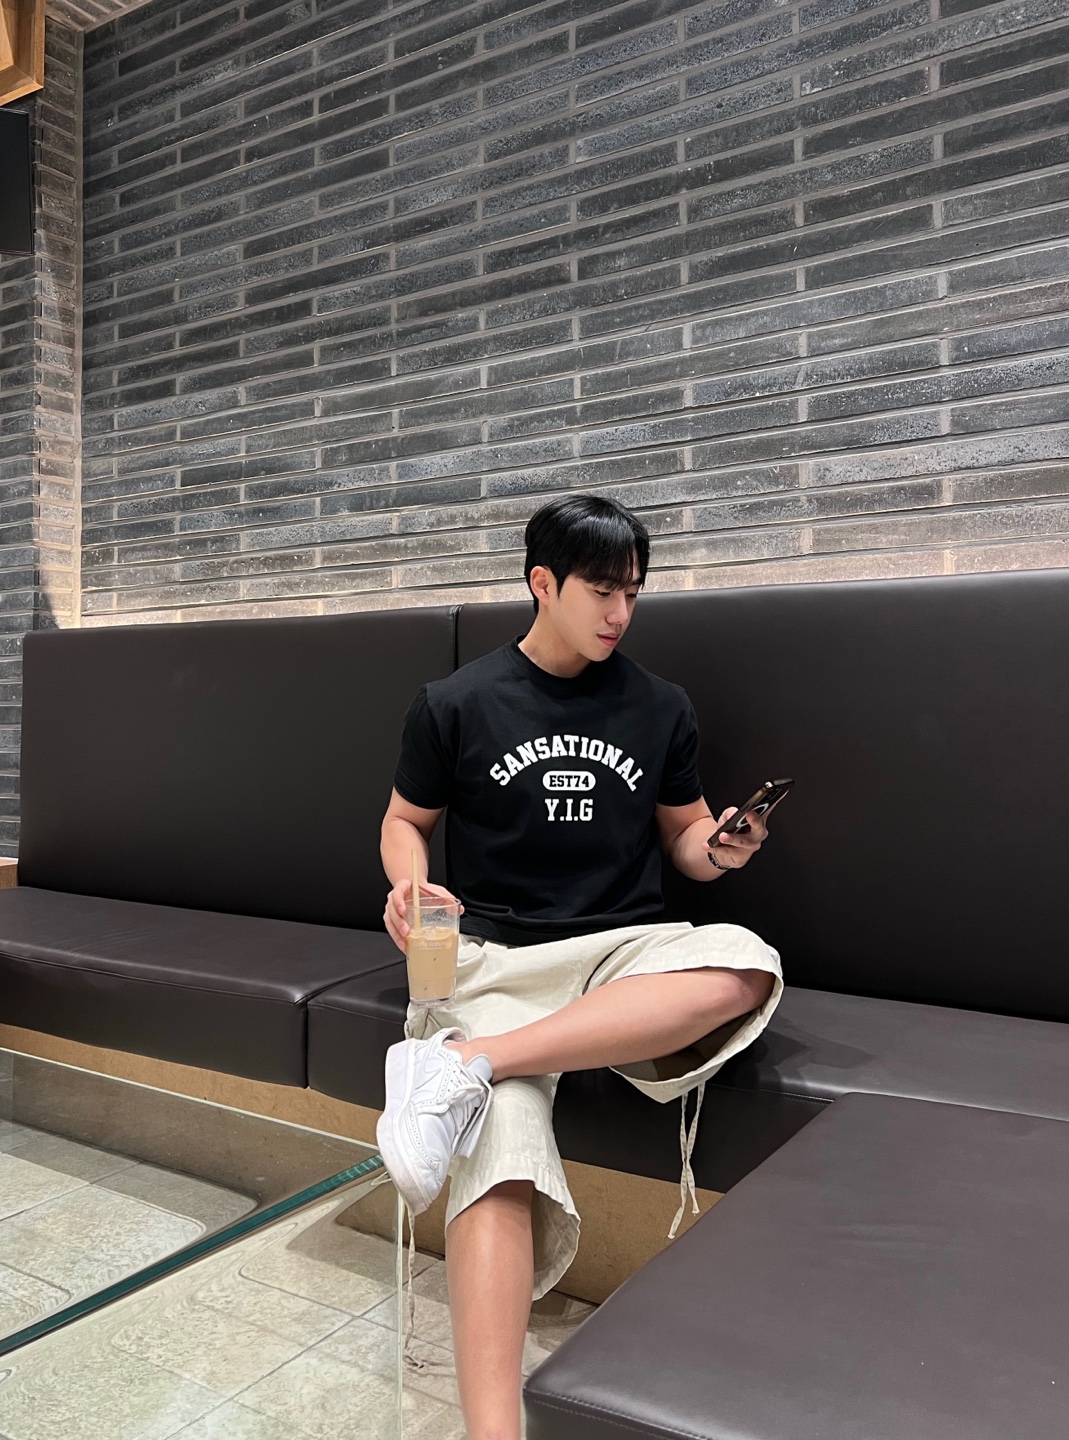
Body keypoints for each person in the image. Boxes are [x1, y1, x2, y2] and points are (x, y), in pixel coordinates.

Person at [377, 494, 783, 1440]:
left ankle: (466, 1063)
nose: (618, 613)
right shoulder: (455, 702)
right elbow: (404, 820)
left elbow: (685, 841)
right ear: (542, 583)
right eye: (601, 591)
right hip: (496, 955)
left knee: (745, 966)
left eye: (632, 593)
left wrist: (722, 850)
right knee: (497, 1148)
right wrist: (408, 884)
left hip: (619, 954)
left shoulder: (660, 706)